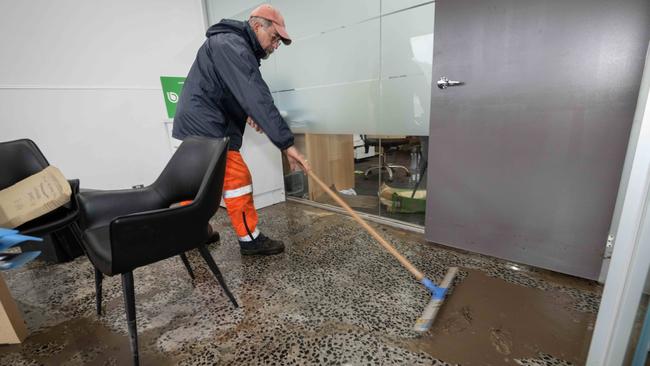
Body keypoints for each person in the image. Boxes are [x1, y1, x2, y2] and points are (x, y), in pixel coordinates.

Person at [172, 4, 310, 256]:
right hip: (208, 124)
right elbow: (255, 94)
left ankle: (189, 232)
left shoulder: (230, 44)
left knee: (198, 184)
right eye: (274, 37)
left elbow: (231, 89)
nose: (275, 45)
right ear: (257, 26)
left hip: (200, 121)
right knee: (238, 180)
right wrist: (287, 144)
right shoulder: (231, 45)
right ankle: (249, 239)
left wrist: (248, 112)